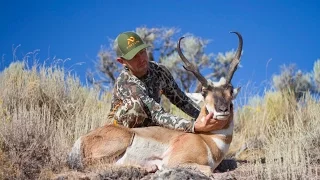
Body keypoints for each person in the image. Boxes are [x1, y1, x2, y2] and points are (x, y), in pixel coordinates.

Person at [107, 31, 224, 133]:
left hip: (151, 125)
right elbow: (156, 114)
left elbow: (182, 101)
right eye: (134, 56)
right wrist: (194, 126)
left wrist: (204, 117)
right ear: (121, 61)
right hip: (119, 132)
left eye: (142, 52)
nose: (141, 59)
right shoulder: (126, 84)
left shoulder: (160, 71)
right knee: (135, 106)